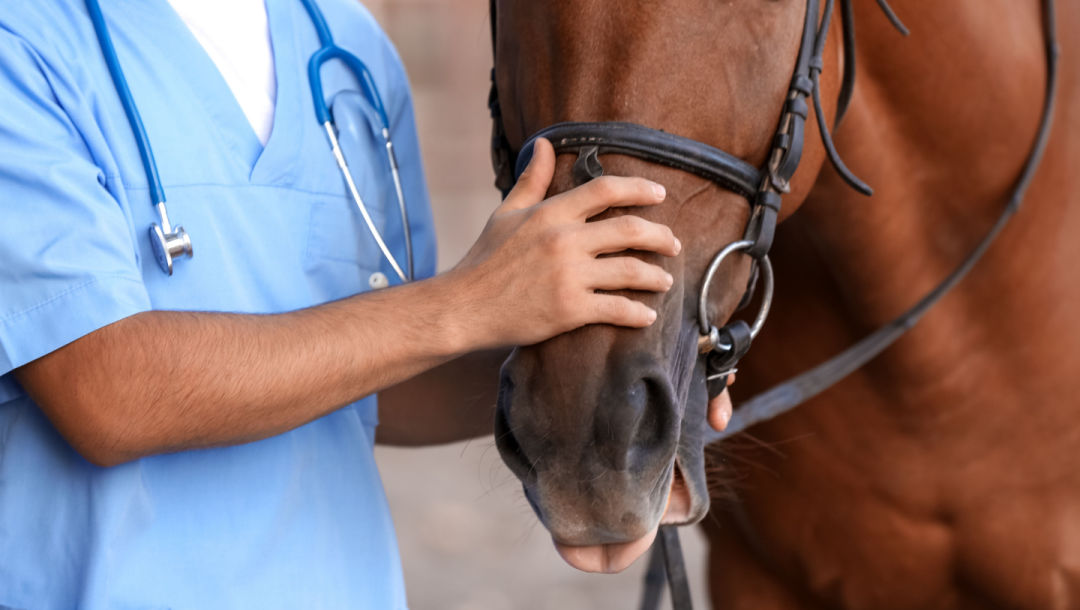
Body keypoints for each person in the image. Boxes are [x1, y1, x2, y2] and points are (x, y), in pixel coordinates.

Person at [0, 0, 736, 608]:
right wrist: (466, 304)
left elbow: (378, 377)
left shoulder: (348, 52)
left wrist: (605, 390)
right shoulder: (23, 42)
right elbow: (103, 392)